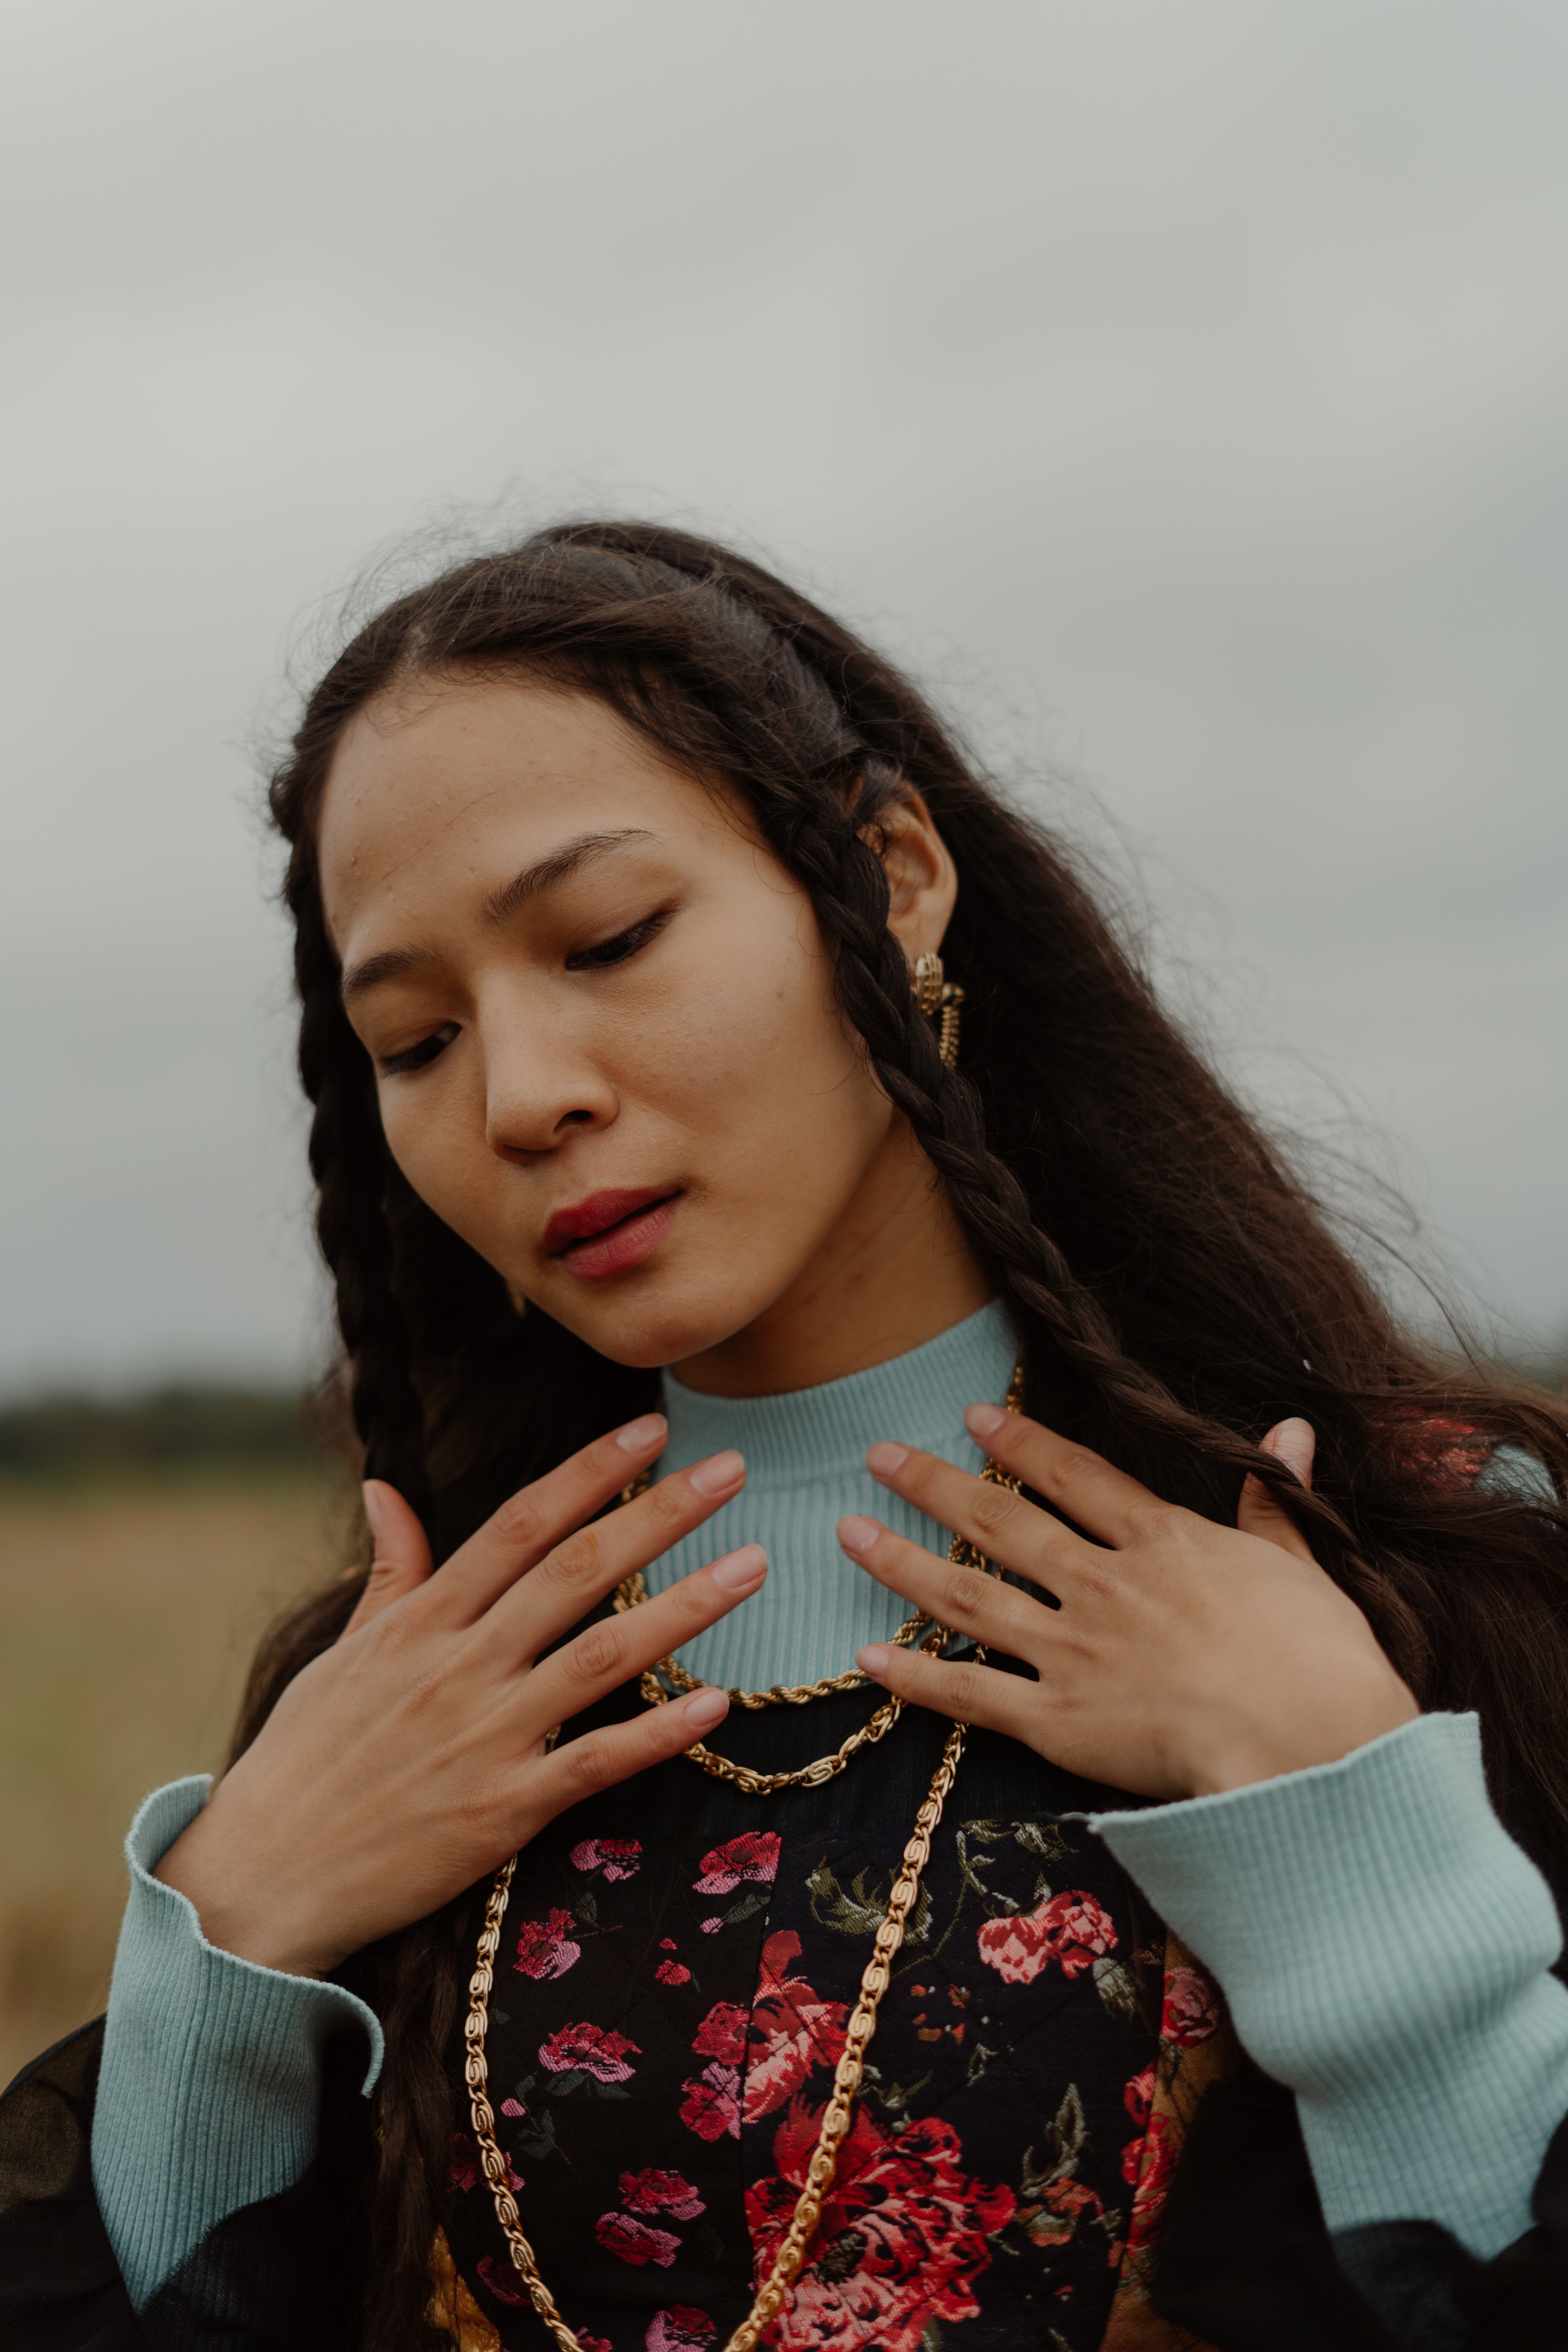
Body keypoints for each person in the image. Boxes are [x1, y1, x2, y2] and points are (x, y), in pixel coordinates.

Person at [3, 522, 1566, 2352]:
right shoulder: (421, 1690)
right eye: (415, 1042)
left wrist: (1357, 1853)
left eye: (607, 939)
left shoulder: (1411, 1555)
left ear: (891, 877)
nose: (521, 1096)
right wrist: (230, 1951)